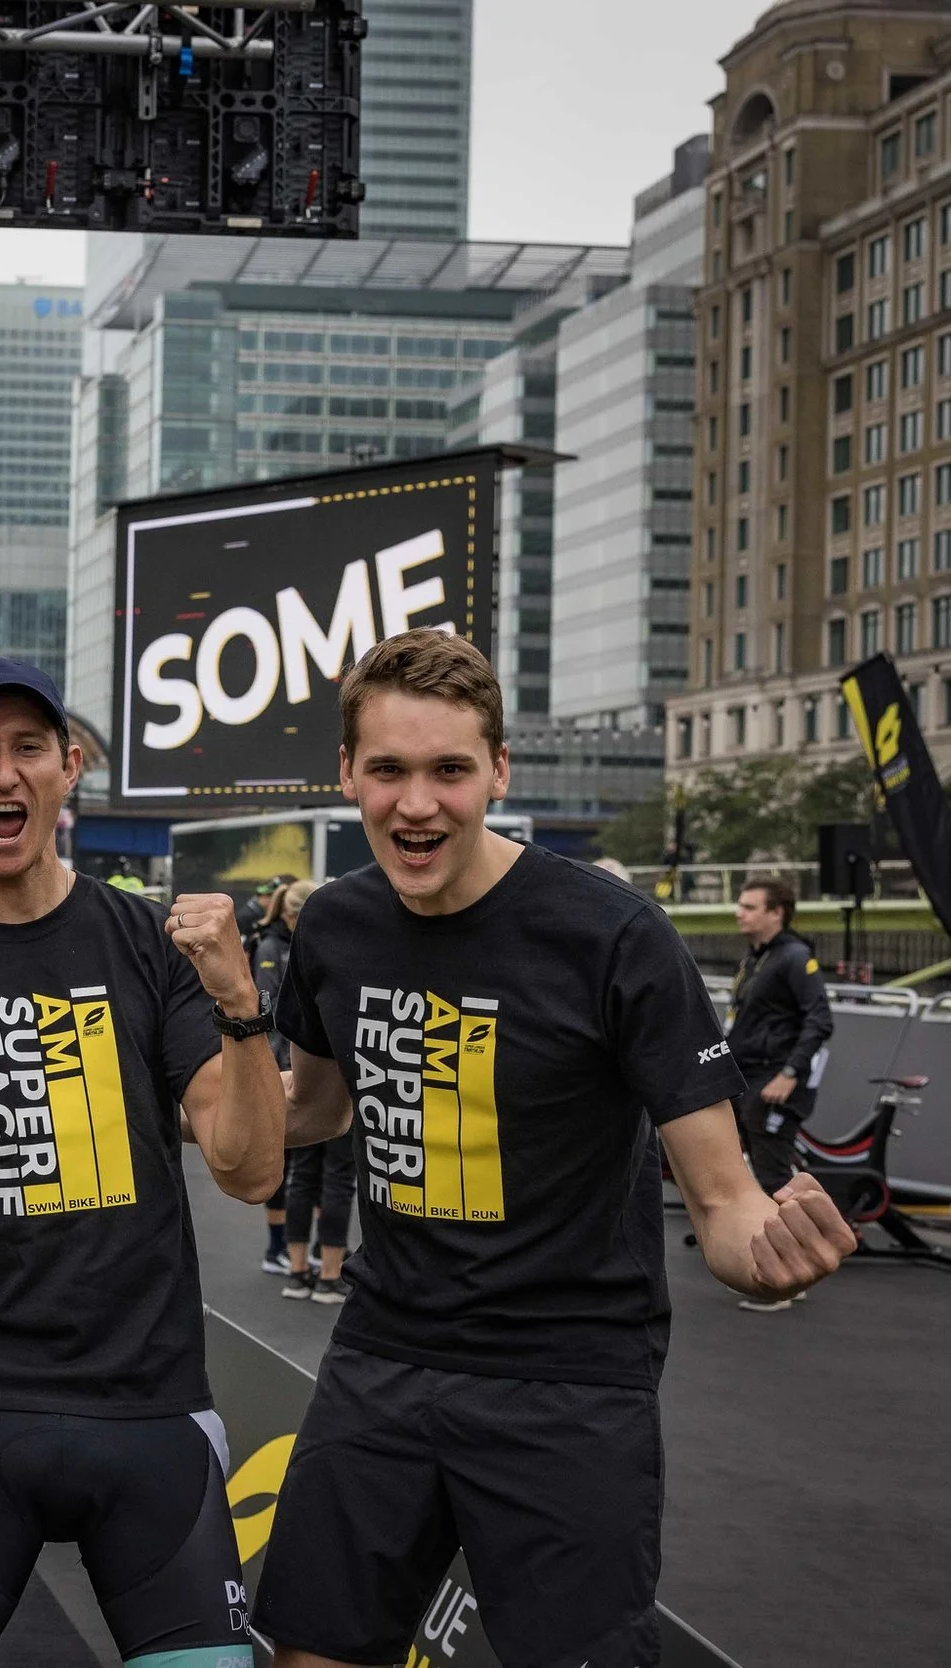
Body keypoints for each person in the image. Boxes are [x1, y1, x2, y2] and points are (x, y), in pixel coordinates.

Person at [260, 630, 860, 1668]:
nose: (417, 804)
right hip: (382, 1354)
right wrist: (180, 1096)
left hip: (567, 1376)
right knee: (314, 1650)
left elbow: (720, 1200)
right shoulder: (335, 927)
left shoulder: (614, 937)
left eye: (450, 769)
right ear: (346, 773)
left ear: (497, 769)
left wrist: (760, 1262)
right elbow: (311, 1111)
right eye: (389, 770)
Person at [0, 658, 286, 1668]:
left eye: (28, 748)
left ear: (68, 768)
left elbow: (249, 1172)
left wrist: (242, 1009)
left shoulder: (147, 943)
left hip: (150, 1404)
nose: (5, 775)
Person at [728, 877, 836, 1309]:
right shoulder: (757, 958)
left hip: (775, 1081)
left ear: (777, 912)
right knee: (760, 1171)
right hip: (749, 1077)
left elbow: (820, 1021)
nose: (740, 912)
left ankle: (788, 1278)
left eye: (750, 906)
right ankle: (776, 1259)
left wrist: (790, 1073)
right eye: (740, 905)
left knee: (775, 1177)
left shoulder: (794, 958)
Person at [269, 880, 355, 1305]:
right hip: (333, 1074)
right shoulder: (341, 946)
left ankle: (298, 1268)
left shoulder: (290, 947)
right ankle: (329, 1273)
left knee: (304, 1175)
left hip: (295, 1067)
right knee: (337, 1178)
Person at [250, 884, 300, 1275]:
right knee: (278, 1162)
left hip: (300, 1062)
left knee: (307, 1167)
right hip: (276, 1062)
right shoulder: (269, 947)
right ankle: (275, 1247)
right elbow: (266, 1008)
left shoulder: (305, 943)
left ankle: (305, 1247)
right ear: (289, 913)